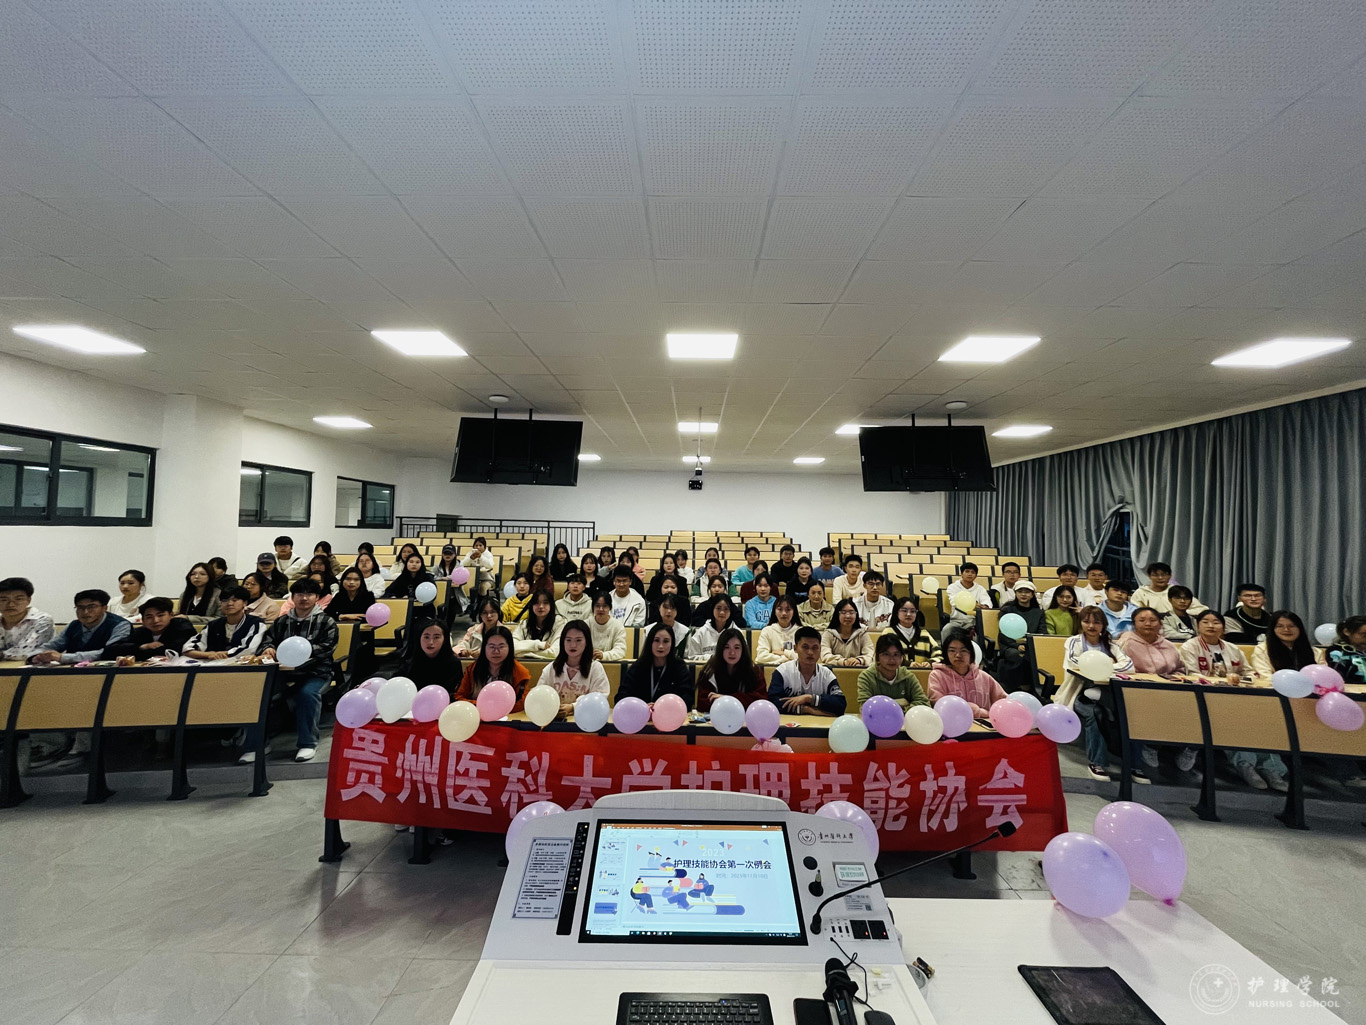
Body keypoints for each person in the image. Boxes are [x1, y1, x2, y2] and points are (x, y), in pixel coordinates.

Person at [1180, 610, 1286, 791]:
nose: (1211, 626)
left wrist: (1245, 679)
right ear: (1198, 626)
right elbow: (1192, 674)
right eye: (1205, 622)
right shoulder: (1190, 646)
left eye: (1216, 622)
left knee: (1262, 720)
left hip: (1236, 696)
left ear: (1223, 627)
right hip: (1205, 697)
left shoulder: (1232, 648)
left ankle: (1272, 768)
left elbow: (1248, 671)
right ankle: (1245, 765)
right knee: (1233, 721)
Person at [252, 578, 339, 763]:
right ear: (292, 597)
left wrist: (299, 653)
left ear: (316, 597)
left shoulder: (326, 621)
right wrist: (268, 648)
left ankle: (308, 743)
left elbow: (327, 647)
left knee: (307, 694)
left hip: (316, 672)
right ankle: (257, 744)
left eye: (309, 594)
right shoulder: (282, 621)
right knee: (259, 693)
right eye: (299, 594)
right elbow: (268, 640)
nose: (304, 598)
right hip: (283, 672)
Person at [1054, 606, 1136, 782]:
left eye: (1096, 622)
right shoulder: (1074, 642)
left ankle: (1135, 765)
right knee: (1095, 712)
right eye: (1086, 621)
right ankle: (1097, 762)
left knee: (1132, 712)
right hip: (1079, 692)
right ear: (1081, 623)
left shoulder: (1111, 644)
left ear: (1103, 624)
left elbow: (1129, 665)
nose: (1091, 626)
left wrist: (1104, 667)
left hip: (1109, 691)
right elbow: (1074, 663)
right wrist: (1107, 665)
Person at [1121, 606, 1197, 781]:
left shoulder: (1168, 645)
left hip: (1170, 690)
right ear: (1134, 623)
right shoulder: (1125, 644)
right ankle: (1152, 746)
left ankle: (1189, 748)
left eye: (1152, 620)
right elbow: (1121, 670)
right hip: (1139, 692)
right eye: (1142, 620)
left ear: (1160, 623)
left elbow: (1180, 668)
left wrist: (1175, 678)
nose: (1148, 623)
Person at [29, 589, 131, 664]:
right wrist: (36, 656)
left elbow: (109, 653)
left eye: (91, 607)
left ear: (104, 608)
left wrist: (63, 658)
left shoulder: (120, 625)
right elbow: (53, 645)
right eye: (80, 608)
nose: (85, 612)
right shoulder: (74, 625)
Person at [537, 619, 610, 715]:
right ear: (562, 642)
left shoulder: (595, 668)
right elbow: (539, 696)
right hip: (554, 719)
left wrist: (573, 707)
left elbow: (600, 698)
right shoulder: (551, 668)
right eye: (568, 640)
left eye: (578, 640)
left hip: (585, 719)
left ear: (587, 642)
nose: (573, 645)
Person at [770, 627, 846, 716]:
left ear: (820, 649)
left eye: (815, 648)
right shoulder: (782, 671)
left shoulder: (827, 674)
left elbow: (841, 704)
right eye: (805, 647)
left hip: (819, 723)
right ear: (795, 648)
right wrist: (806, 709)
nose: (810, 652)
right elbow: (773, 703)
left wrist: (809, 698)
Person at [928, 630, 1007, 716]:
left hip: (983, 722)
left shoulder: (983, 677)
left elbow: (1004, 702)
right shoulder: (937, 676)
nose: (958, 655)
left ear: (971, 653)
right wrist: (975, 710)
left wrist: (982, 713)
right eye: (952, 651)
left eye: (963, 651)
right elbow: (940, 706)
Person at [453, 625, 529, 713]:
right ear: (484, 648)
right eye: (492, 646)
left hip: (507, 717)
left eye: (501, 647)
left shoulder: (520, 672)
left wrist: (493, 709)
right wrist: (482, 706)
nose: (496, 651)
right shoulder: (473, 669)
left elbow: (521, 703)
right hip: (476, 714)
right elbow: (459, 696)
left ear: (510, 648)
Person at [618, 622, 694, 709]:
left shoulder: (679, 667)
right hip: (641, 715)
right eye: (656, 640)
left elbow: (688, 699)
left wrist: (661, 708)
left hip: (669, 715)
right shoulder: (638, 666)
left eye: (666, 641)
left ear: (672, 644)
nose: (661, 646)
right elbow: (621, 697)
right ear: (650, 642)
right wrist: (642, 707)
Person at [183, 586, 268, 660]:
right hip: (213, 665)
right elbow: (187, 648)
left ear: (244, 603)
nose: (229, 603)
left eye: (234, 600)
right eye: (225, 600)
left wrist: (223, 654)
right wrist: (209, 654)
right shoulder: (213, 625)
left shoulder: (255, 623)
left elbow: (248, 650)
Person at [696, 628, 768, 710]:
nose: (732, 653)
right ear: (720, 649)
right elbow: (702, 703)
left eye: (736, 647)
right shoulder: (709, 671)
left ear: (743, 650)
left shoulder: (754, 671)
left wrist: (726, 699)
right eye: (727, 647)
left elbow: (761, 700)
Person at [104, 596, 196, 660]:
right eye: (149, 617)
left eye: (160, 615)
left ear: (171, 615)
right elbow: (110, 651)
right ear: (143, 620)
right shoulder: (141, 631)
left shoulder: (182, 626)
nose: (155, 620)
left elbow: (173, 651)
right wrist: (142, 647)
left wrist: (135, 653)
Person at [857, 634, 930, 709]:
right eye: (886, 654)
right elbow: (866, 707)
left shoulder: (908, 676)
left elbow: (924, 703)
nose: (892, 660)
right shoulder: (866, 677)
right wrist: (901, 702)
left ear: (902, 657)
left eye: (896, 654)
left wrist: (898, 711)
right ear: (878, 656)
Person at [996, 581, 1045, 692]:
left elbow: (1042, 632)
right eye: (1020, 591)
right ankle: (1016, 687)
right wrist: (1016, 646)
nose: (1023, 594)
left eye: (1027, 592)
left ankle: (1035, 687)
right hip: (1010, 645)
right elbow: (1003, 634)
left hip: (1031, 645)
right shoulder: (1007, 610)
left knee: (1033, 655)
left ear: (1032, 595)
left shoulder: (1038, 613)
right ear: (1016, 593)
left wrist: (1029, 645)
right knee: (1016, 655)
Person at [1251, 610, 1320, 679]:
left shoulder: (1315, 652)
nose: (1286, 629)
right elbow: (1265, 676)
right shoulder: (1262, 650)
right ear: (1272, 629)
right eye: (1280, 626)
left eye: (1292, 626)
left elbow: (1320, 676)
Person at [0, 577, 54, 661]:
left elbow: (24, 651)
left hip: (32, 666)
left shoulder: (42, 620)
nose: (11, 604)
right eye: (4, 600)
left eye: (18, 599)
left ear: (28, 600)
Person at [404, 620, 462, 697]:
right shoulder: (409, 662)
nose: (430, 642)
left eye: (436, 637)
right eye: (426, 637)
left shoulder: (454, 664)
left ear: (444, 640)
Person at [1131, 561, 1207, 615]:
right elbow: (1135, 613)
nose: (1160, 578)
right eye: (1156, 575)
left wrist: (1181, 612)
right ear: (1149, 576)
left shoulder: (1177, 591)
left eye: (1164, 575)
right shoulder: (1141, 593)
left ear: (1170, 576)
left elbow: (1202, 609)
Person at [882, 596, 940, 666]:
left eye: (912, 611)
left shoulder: (924, 634)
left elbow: (939, 654)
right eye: (904, 611)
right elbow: (884, 655)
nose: (908, 614)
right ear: (896, 612)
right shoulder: (889, 632)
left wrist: (930, 663)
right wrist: (908, 664)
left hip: (922, 672)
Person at [686, 593, 741, 663]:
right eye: (718, 608)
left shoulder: (737, 633)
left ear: (730, 611)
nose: (722, 612)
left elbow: (743, 657)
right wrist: (711, 657)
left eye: (726, 609)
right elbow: (691, 657)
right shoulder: (701, 632)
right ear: (712, 609)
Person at [821, 599, 874, 667]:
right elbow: (825, 655)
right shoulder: (828, 634)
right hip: (833, 671)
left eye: (851, 612)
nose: (848, 616)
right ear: (837, 614)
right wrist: (843, 662)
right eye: (843, 612)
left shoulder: (862, 634)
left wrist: (859, 660)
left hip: (857, 670)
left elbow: (870, 654)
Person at [512, 591, 561, 660]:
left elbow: (554, 653)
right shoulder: (524, 623)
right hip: (524, 664)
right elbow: (511, 647)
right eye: (536, 603)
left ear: (551, 605)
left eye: (545, 603)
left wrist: (521, 653)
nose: (541, 606)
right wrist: (538, 645)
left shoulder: (560, 623)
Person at [175, 562, 223, 626]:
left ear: (210, 576)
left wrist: (189, 618)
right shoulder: (184, 595)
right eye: (193, 574)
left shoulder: (219, 595)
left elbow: (220, 619)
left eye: (202, 574)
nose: (196, 577)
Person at [755, 595, 799, 665]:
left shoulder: (800, 632)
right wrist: (784, 659)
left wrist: (785, 652)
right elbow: (761, 657)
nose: (784, 613)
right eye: (780, 609)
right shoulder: (767, 631)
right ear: (774, 612)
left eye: (788, 610)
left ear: (794, 612)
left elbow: (805, 656)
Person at [1326, 616, 1366, 686]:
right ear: (1347, 632)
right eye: (1364, 635)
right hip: (1350, 689)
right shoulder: (1337, 651)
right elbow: (1338, 676)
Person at [589, 593, 628, 662]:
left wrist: (604, 655)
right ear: (593, 608)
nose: (601, 609)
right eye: (597, 606)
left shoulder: (617, 626)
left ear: (610, 607)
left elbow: (620, 650)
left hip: (611, 665)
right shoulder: (586, 625)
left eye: (604, 606)